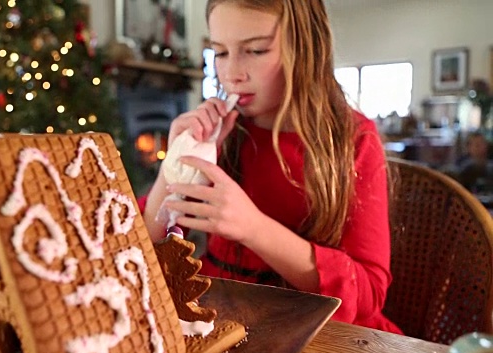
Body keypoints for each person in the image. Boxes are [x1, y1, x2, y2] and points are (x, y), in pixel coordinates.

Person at [138, 0, 402, 334]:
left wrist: (253, 228)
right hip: (223, 319)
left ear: (306, 48)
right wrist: (177, 164)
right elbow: (144, 253)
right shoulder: (226, 132)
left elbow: (368, 291)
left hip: (322, 331)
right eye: (220, 53)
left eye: (256, 51)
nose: (233, 73)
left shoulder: (352, 140)